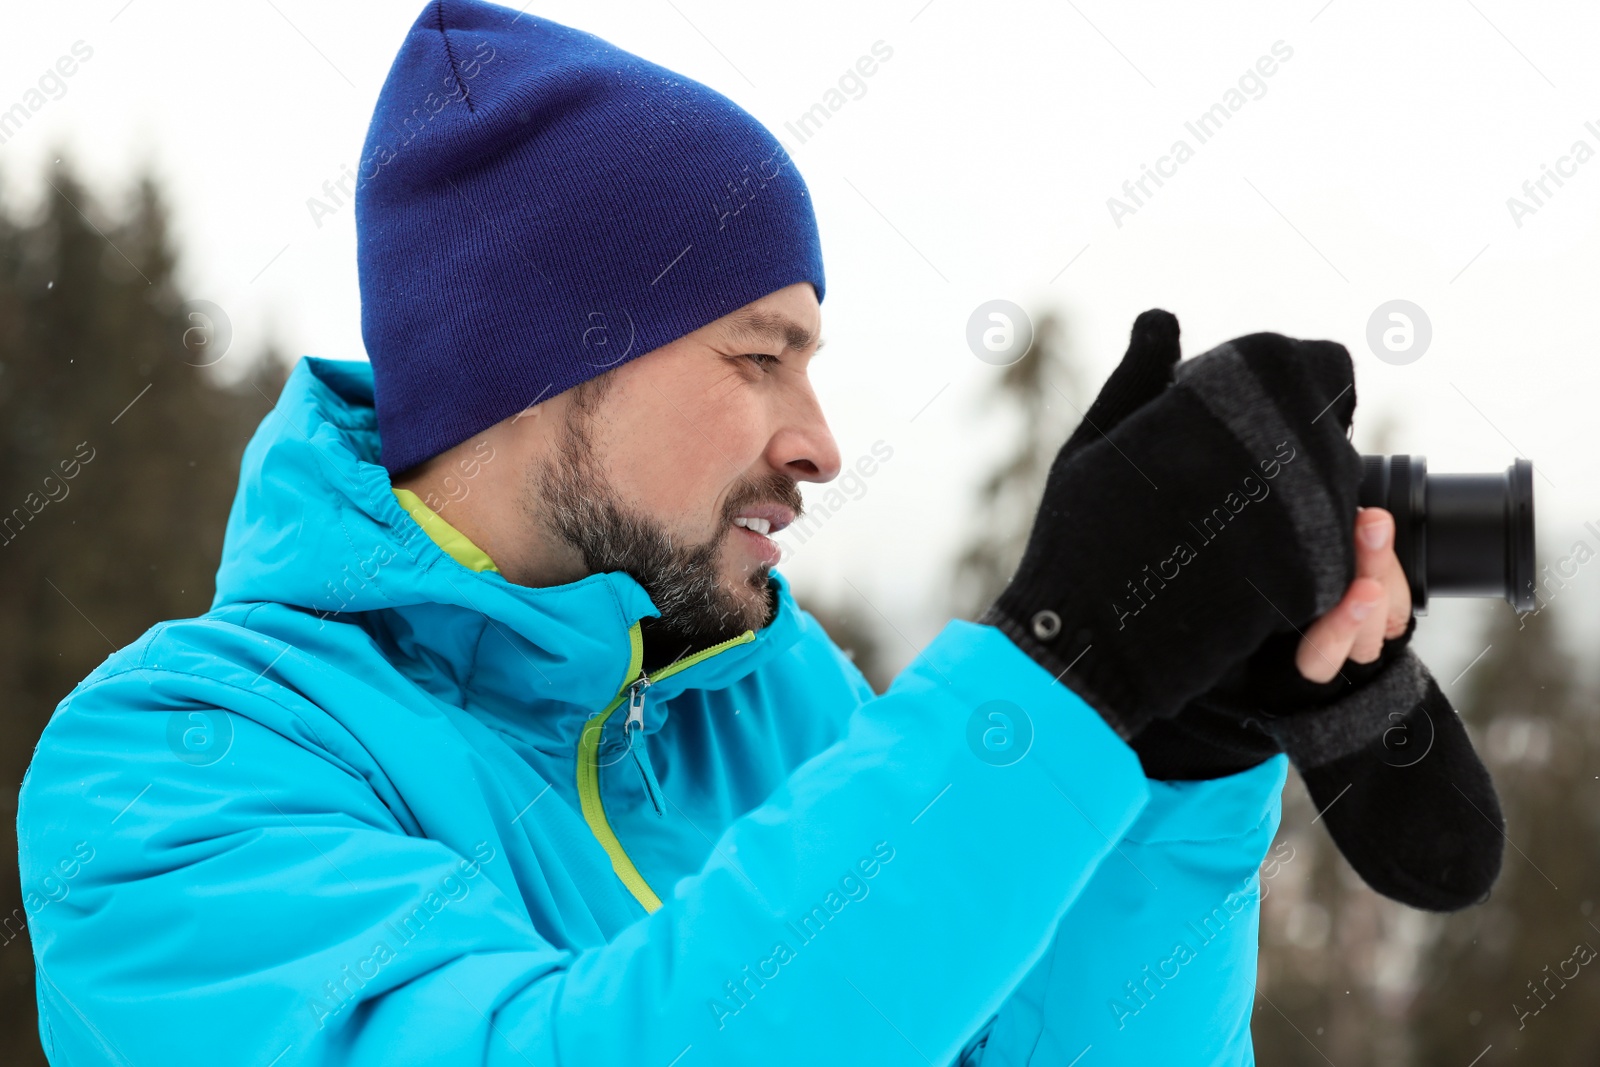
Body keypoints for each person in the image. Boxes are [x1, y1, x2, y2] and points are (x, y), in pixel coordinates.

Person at [15, 2, 1503, 1063]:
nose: (820, 439)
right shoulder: (172, 772)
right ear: (546, 361)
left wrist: (1172, 762)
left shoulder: (767, 702)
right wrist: (1062, 668)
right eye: (756, 356)